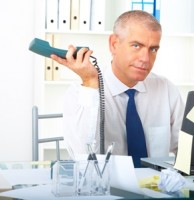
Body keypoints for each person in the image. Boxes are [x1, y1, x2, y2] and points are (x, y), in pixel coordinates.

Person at [51, 10, 185, 166]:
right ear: (114, 44)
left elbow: (185, 149)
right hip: (106, 187)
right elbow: (82, 157)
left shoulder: (166, 89)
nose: (145, 59)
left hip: (155, 186)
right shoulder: (80, 92)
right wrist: (90, 83)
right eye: (136, 45)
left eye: (153, 49)